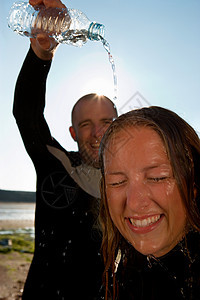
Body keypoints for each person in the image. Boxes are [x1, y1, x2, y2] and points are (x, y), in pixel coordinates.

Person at [13, 0, 118, 299]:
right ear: (72, 132)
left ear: (119, 125)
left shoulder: (132, 182)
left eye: (106, 122)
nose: (97, 132)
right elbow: (27, 114)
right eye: (86, 124)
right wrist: (42, 50)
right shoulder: (55, 164)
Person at [99, 106, 200, 300]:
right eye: (117, 182)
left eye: (157, 178)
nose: (135, 203)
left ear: (194, 184)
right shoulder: (124, 273)